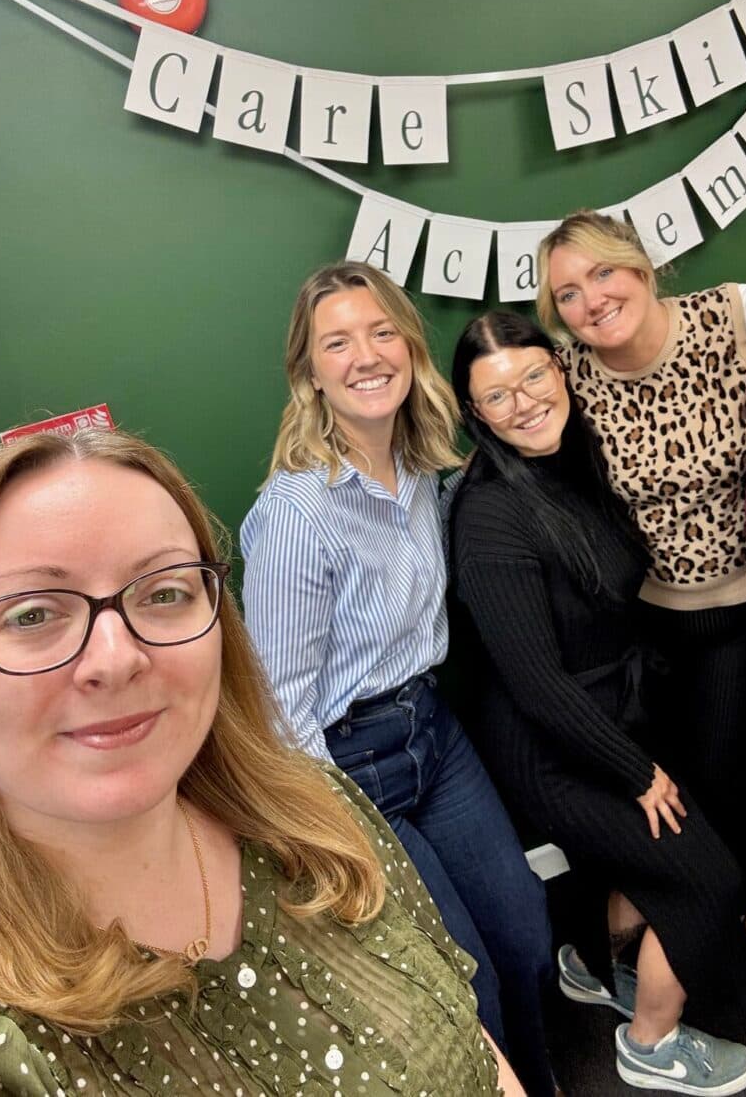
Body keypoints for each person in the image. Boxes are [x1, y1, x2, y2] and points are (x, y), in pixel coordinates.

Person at [0, 428, 522, 1097]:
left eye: (163, 593)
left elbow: (459, 1025)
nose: (116, 658)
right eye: (35, 612)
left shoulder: (314, 812)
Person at [240, 261, 556, 1097]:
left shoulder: (423, 469)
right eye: (336, 342)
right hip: (348, 763)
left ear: (410, 348)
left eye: (382, 332)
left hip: (431, 734)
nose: (366, 355)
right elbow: (278, 711)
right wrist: (334, 835)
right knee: (463, 974)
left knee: (525, 933)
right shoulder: (297, 516)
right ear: (310, 372)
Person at [447, 309, 746, 1095]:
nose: (522, 402)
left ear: (560, 371)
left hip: (613, 714)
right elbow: (537, 684)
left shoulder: (577, 460)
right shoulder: (490, 513)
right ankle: (649, 1044)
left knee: (693, 843)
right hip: (550, 746)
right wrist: (637, 772)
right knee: (711, 881)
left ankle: (586, 961)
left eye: (533, 377)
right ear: (474, 413)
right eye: (497, 396)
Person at [536, 211, 746, 943]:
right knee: (691, 758)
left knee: (732, 754)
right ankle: (724, 869)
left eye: (601, 273)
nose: (590, 301)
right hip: (645, 611)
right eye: (567, 293)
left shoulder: (735, 315)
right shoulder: (566, 374)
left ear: (640, 266)